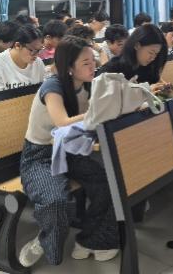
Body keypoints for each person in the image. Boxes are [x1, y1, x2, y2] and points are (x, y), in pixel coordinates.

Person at [18, 36, 119, 267]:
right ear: (69, 67)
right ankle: (43, 240)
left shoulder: (89, 84)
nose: (93, 66)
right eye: (86, 63)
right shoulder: (53, 87)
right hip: (39, 156)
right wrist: (100, 111)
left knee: (108, 183)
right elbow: (62, 122)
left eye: (93, 60)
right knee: (56, 201)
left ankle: (92, 238)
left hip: (70, 150)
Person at [98, 24, 173, 96]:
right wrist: (145, 92)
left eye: (156, 54)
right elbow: (108, 100)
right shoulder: (112, 70)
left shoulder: (149, 67)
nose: (153, 58)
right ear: (137, 45)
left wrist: (162, 92)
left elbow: (154, 86)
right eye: (151, 52)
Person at [0, 24, 45, 90]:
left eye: (39, 50)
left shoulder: (38, 63)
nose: (36, 55)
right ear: (18, 45)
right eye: (33, 51)